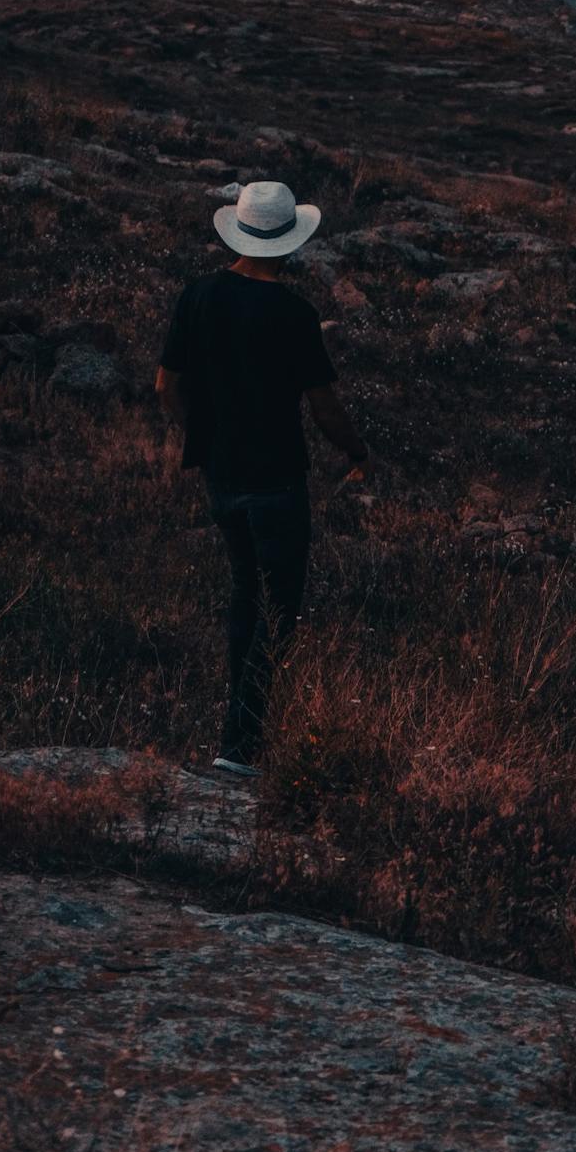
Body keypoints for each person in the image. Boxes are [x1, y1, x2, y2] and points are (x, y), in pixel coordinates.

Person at [156, 179, 369, 777]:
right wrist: (357, 453)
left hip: (221, 476)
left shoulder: (197, 295)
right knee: (277, 611)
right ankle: (241, 747)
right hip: (278, 480)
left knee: (245, 597)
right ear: (289, 242)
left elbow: (165, 386)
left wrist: (201, 435)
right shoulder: (295, 313)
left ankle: (237, 736)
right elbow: (323, 406)